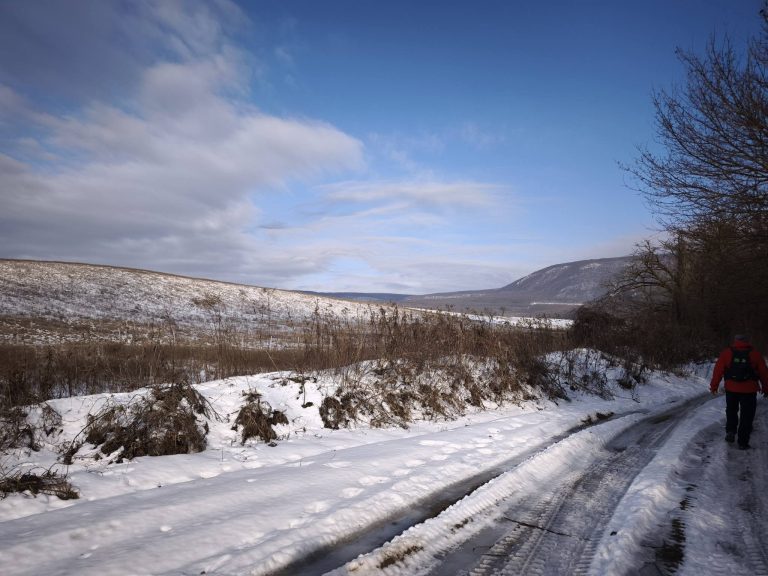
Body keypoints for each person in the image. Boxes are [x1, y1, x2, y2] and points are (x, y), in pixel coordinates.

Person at [710, 335, 768, 449]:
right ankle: (743, 442)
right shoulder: (755, 354)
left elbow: (718, 370)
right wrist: (766, 388)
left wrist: (714, 386)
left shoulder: (727, 353)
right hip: (749, 390)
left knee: (731, 410)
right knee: (747, 415)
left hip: (731, 388)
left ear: (735, 341)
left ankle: (731, 431)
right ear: (747, 341)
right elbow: (764, 373)